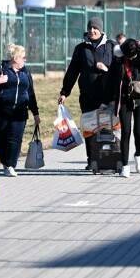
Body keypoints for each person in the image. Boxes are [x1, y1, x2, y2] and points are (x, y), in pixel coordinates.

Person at [59, 17, 115, 169]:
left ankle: (105, 158)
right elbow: (72, 71)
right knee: (90, 128)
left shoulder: (111, 46)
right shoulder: (81, 48)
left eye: (95, 28)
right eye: (90, 28)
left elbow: (119, 69)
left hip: (107, 95)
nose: (92, 30)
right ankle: (92, 160)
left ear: (101, 29)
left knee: (105, 128)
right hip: (87, 95)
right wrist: (65, 91)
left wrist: (106, 69)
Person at [0, 44, 40, 176]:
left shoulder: (26, 72)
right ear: (15, 58)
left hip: (19, 113)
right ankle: (5, 163)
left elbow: (30, 93)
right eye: (23, 57)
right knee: (1, 139)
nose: (25, 60)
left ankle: (10, 165)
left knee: (15, 140)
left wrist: (35, 113)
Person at [107, 38, 140, 177]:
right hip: (125, 99)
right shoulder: (119, 60)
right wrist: (110, 100)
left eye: (132, 55)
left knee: (139, 131)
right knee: (125, 132)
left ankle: (138, 155)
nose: (130, 57)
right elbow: (111, 80)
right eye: (127, 55)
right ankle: (124, 165)